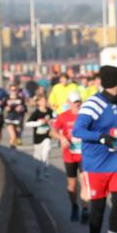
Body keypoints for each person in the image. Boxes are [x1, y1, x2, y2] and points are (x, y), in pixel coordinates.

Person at [73, 65, 117, 233]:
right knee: (97, 208)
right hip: (95, 164)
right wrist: (101, 137)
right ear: (115, 82)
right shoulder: (93, 104)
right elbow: (77, 131)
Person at [51, 92, 89, 223]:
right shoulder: (63, 117)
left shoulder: (87, 116)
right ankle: (74, 206)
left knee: (84, 182)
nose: (77, 104)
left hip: (84, 154)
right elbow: (52, 131)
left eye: (79, 101)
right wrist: (61, 137)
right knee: (72, 187)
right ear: (69, 103)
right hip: (69, 155)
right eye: (74, 102)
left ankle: (85, 210)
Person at [25, 94, 54, 181]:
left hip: (47, 135)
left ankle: (46, 168)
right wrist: (39, 123)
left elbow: (55, 119)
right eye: (42, 101)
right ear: (38, 103)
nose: (44, 102)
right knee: (38, 157)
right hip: (38, 138)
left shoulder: (49, 111)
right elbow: (27, 123)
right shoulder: (36, 113)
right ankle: (38, 172)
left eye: (45, 100)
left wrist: (51, 121)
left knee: (47, 150)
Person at [5, 83, 26, 148]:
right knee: (13, 136)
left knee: (16, 136)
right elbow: (2, 107)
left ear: (17, 91)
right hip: (9, 118)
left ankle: (14, 150)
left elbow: (25, 109)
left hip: (18, 119)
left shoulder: (21, 99)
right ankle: (11, 151)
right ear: (9, 91)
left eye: (15, 90)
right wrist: (6, 108)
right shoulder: (6, 98)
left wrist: (21, 108)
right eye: (12, 90)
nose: (13, 91)